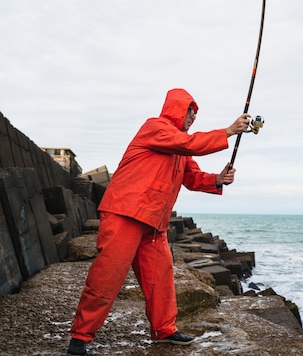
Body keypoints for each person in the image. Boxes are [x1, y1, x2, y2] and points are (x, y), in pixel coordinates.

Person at [67, 88, 251, 355]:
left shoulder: (180, 145)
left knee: (161, 279)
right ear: (177, 108)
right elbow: (191, 144)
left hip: (154, 223)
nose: (193, 118)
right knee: (106, 277)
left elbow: (192, 177)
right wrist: (229, 131)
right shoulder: (155, 127)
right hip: (125, 214)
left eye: (195, 114)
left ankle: (164, 330)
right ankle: (80, 336)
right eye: (190, 112)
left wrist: (217, 179)